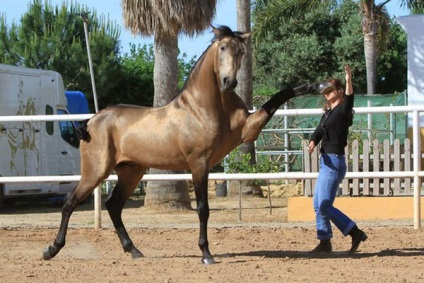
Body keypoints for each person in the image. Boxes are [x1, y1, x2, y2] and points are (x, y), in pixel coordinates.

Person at [307, 65, 367, 254]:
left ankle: (354, 231)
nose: (326, 94)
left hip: (334, 161)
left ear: (338, 91)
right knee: (318, 204)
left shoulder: (343, 110)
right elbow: (319, 130)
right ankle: (325, 241)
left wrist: (348, 78)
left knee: (324, 204)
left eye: (329, 90)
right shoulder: (327, 113)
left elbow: (350, 97)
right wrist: (312, 141)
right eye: (325, 91)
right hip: (326, 161)